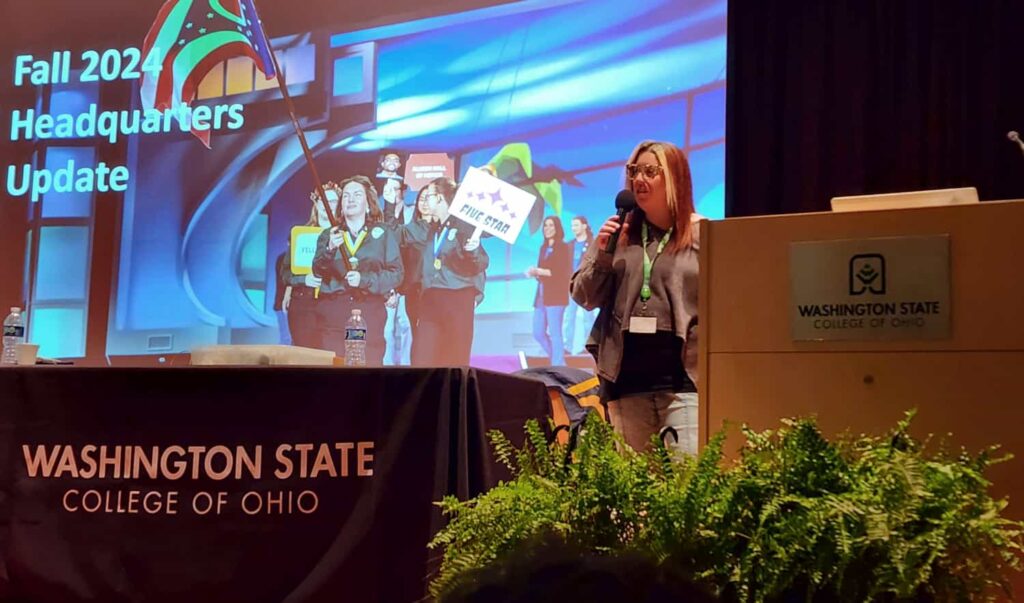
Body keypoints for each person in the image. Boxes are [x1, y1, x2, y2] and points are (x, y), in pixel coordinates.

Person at [569, 140, 700, 455]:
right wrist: (602, 253)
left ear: (675, 178)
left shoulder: (701, 234)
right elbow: (583, 296)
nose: (638, 179)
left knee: (688, 485)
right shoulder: (617, 235)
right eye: (634, 171)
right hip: (626, 383)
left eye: (650, 171)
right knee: (637, 491)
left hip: (683, 382)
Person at [312, 175, 403, 366]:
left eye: (357, 194)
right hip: (334, 312)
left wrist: (364, 279)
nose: (350, 199)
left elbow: (396, 273)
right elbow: (318, 271)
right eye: (345, 196)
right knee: (333, 371)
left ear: (368, 204)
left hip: (369, 310)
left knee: (367, 372)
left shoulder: (383, 233)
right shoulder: (329, 235)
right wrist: (329, 250)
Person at [408, 177, 489, 366]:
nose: (424, 201)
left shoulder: (464, 226)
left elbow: (479, 264)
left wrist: (472, 251)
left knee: (454, 359)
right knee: (422, 359)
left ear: (439, 198)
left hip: (457, 297)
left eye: (428, 195)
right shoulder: (433, 229)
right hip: (430, 299)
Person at [280, 185, 340, 349]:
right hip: (303, 304)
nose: (327, 204)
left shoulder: (344, 236)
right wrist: (303, 279)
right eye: (323, 200)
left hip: (332, 302)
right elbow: (286, 273)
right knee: (303, 354)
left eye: (333, 201)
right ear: (316, 203)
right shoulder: (301, 234)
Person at [527, 216, 571, 366]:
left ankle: (558, 365)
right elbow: (543, 272)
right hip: (541, 295)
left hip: (556, 295)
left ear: (557, 228)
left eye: (551, 225)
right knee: (538, 332)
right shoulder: (543, 248)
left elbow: (560, 272)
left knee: (555, 332)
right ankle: (557, 360)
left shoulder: (563, 247)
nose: (547, 228)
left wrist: (540, 270)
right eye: (545, 226)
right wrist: (535, 273)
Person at [563, 215, 597, 355]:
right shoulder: (569, 245)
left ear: (584, 226)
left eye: (576, 225)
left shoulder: (592, 243)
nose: (574, 228)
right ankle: (567, 347)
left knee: (587, 317)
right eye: (572, 226)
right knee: (568, 316)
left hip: (586, 285)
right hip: (570, 284)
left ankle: (587, 347)